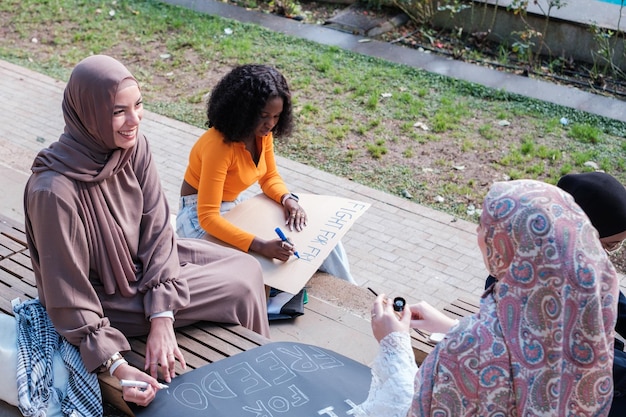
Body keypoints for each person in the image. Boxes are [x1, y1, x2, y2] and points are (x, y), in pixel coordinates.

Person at [23, 55, 270, 408]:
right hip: (105, 299)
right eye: (117, 111)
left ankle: (260, 379)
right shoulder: (53, 191)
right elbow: (68, 294)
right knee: (240, 287)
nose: (133, 120)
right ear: (88, 113)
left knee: (247, 267)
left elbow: (156, 228)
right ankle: (252, 395)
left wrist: (162, 317)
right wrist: (118, 366)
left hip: (146, 268)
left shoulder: (131, 148)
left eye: (137, 105)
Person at [355, 179, 619, 417]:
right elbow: (529, 354)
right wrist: (453, 327)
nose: (478, 234)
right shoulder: (591, 310)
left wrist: (394, 344)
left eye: (485, 226)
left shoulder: (469, 349)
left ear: (509, 244)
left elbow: (414, 408)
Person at [176, 64, 355, 284]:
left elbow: (269, 177)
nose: (270, 124)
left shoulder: (262, 135)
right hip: (197, 220)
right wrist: (261, 245)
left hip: (231, 208)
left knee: (321, 236)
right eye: (263, 116)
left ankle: (353, 290)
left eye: (276, 116)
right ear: (243, 111)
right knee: (256, 264)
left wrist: (288, 200)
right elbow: (208, 218)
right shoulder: (219, 146)